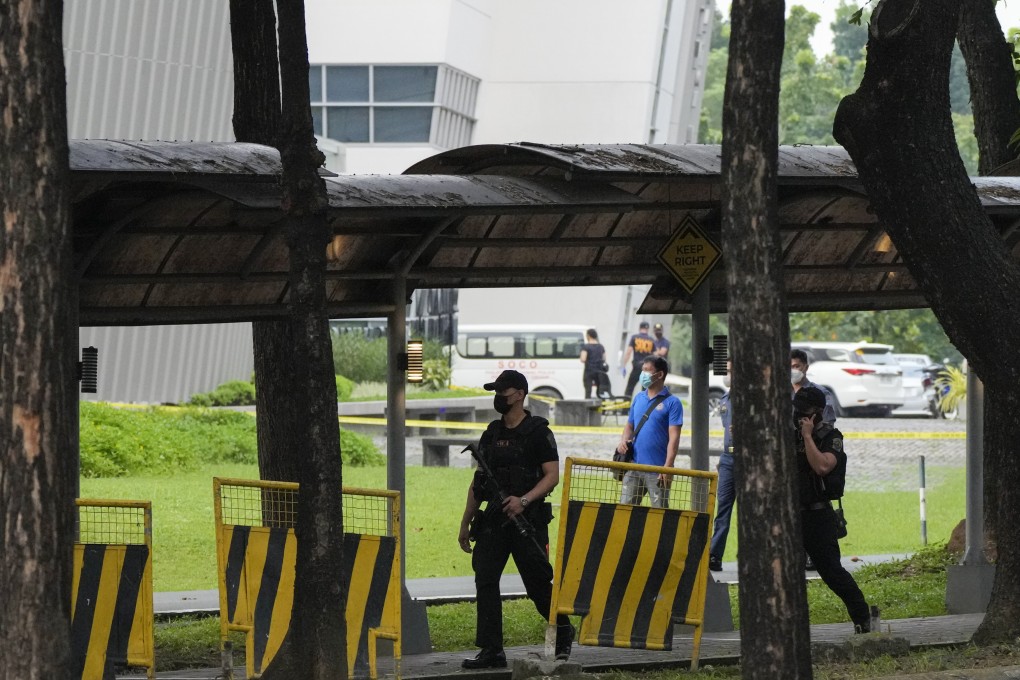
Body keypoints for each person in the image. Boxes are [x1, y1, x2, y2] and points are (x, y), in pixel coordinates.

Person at [458, 370, 574, 668]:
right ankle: (492, 650)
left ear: (520, 394)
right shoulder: (491, 434)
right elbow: (479, 482)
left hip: (528, 522)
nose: (499, 397)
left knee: (536, 584)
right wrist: (465, 522)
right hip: (494, 521)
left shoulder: (538, 432)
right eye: (496, 392)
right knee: (485, 581)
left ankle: (562, 630)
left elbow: (552, 476)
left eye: (504, 392)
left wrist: (523, 500)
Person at [793, 386, 873, 633]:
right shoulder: (789, 434)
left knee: (831, 572)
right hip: (792, 514)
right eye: (797, 411)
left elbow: (823, 467)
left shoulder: (831, 437)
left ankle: (863, 617)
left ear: (817, 414)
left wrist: (807, 437)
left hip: (818, 516)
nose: (799, 417)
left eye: (805, 413)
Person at [615, 356, 684, 507]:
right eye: (642, 370)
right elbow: (629, 426)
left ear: (660, 374)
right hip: (634, 466)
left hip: (658, 470)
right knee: (625, 509)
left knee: (660, 512)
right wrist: (623, 441)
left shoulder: (673, 403)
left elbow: (674, 438)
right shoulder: (638, 398)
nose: (643, 374)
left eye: (647, 370)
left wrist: (667, 467)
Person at [708, 360, 733, 571]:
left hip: (749, 459)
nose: (728, 375)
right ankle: (714, 555)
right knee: (722, 509)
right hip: (728, 460)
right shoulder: (725, 399)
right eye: (726, 371)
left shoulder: (751, 401)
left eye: (731, 371)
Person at [791, 348, 837, 425]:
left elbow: (828, 422)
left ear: (806, 368)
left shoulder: (820, 393)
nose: (793, 370)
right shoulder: (780, 393)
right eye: (790, 367)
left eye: (797, 366)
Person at [622, 321, 656, 397]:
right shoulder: (651, 340)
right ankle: (645, 408)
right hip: (647, 368)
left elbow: (628, 352)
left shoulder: (634, 337)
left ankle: (626, 408)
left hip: (637, 366)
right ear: (647, 329)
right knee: (645, 390)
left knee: (630, 388)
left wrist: (624, 365)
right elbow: (655, 355)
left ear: (640, 328)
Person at [579, 328, 608, 399]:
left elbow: (583, 359)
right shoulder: (601, 347)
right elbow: (604, 359)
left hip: (589, 371)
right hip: (599, 371)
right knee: (600, 390)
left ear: (588, 336)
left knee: (588, 390)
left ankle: (587, 407)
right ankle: (601, 407)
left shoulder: (586, 347)